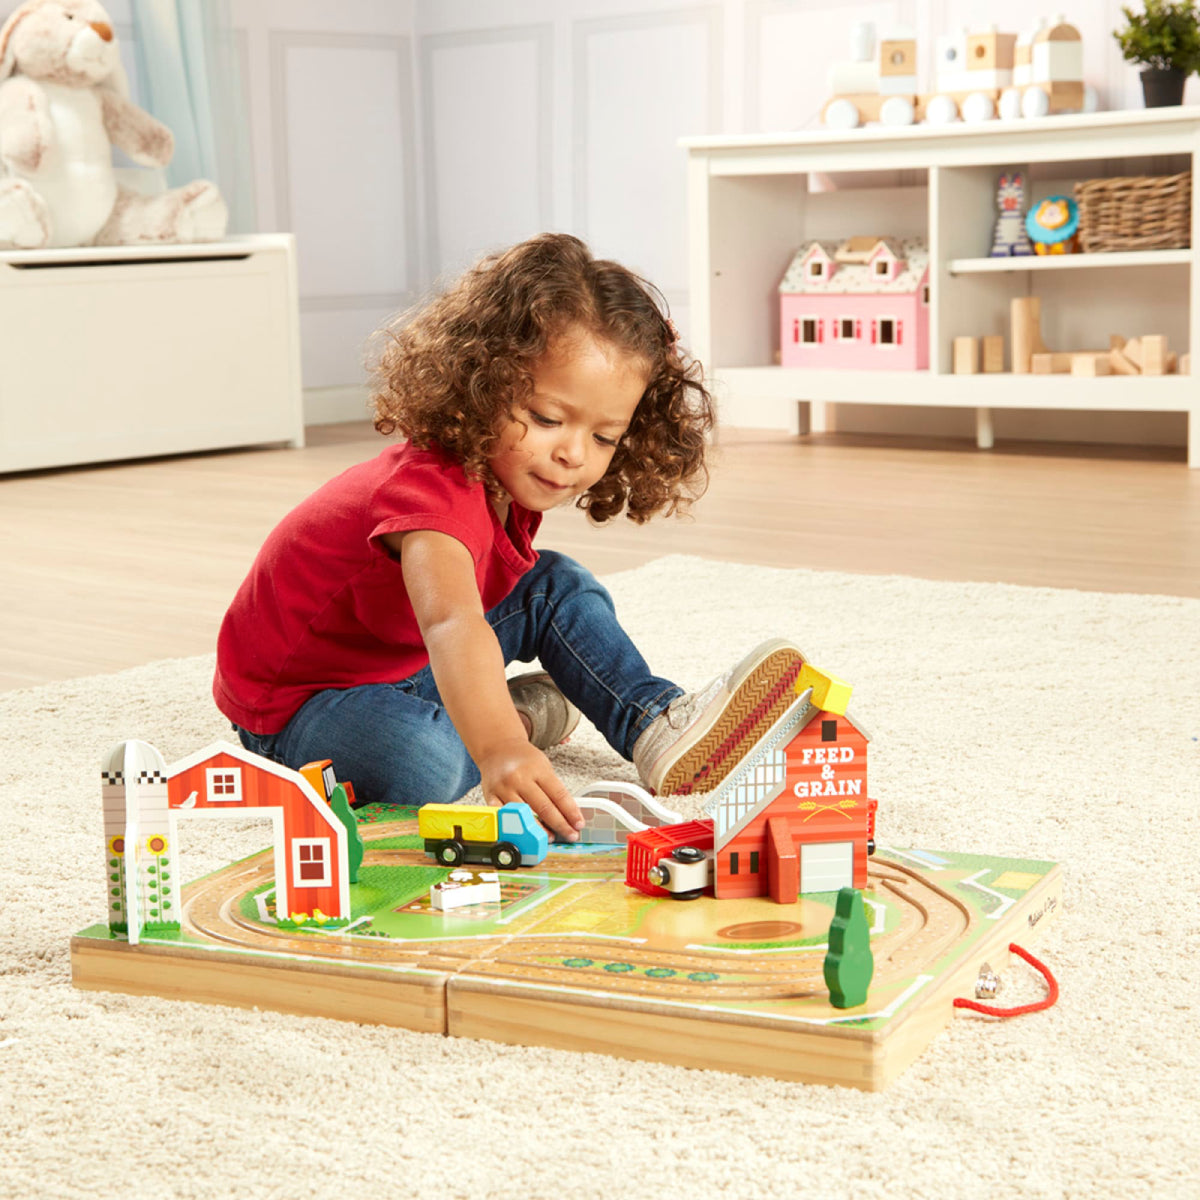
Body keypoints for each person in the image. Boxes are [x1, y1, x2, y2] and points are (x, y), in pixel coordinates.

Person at [213, 233, 805, 842]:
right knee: (425, 762)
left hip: (407, 659)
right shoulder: (429, 496)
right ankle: (512, 718)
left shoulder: (503, 480)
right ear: (484, 381)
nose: (573, 452)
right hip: (302, 702)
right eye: (547, 418)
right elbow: (452, 623)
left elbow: (464, 620)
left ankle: (652, 721)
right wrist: (498, 746)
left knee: (554, 585)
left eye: (604, 437)